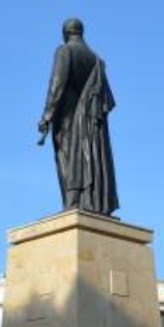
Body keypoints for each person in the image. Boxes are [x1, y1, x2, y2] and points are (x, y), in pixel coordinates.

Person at [37, 17, 119, 216]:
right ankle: (90, 200)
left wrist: (47, 116)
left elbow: (57, 84)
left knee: (67, 158)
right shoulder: (96, 60)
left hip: (67, 118)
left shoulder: (65, 51)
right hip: (91, 122)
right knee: (88, 156)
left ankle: (72, 202)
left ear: (65, 33)